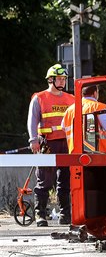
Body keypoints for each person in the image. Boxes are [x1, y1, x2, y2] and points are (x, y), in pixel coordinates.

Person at [27, 64, 75, 226]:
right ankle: (40, 215)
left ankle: (65, 215)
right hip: (47, 144)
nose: (62, 81)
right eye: (59, 78)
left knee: (65, 181)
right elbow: (32, 120)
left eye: (64, 79)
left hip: (67, 144)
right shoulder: (39, 98)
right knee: (45, 181)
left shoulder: (71, 99)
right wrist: (33, 139)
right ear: (50, 80)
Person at [62, 85, 106, 154]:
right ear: (95, 93)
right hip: (98, 153)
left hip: (74, 153)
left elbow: (63, 127)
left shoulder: (70, 109)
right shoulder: (99, 106)